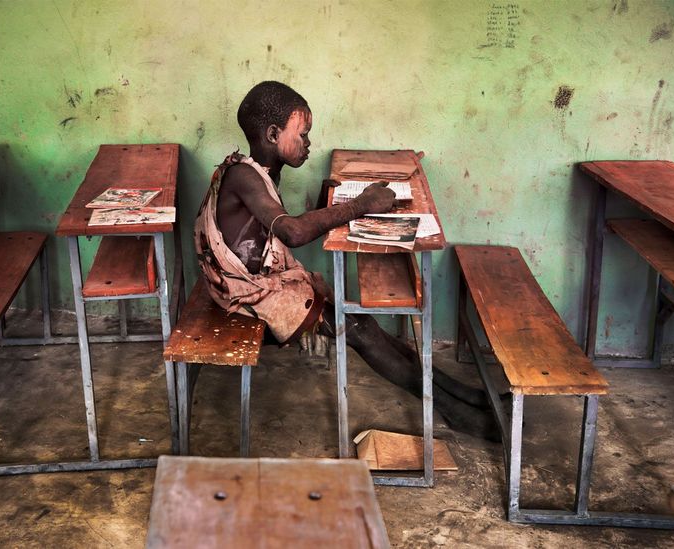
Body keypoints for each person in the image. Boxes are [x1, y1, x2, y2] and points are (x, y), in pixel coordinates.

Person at [193, 81, 500, 440]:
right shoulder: (243, 175)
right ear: (274, 134)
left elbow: (269, 229)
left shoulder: (258, 171)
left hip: (259, 282)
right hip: (244, 295)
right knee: (358, 329)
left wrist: (333, 201)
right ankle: (456, 411)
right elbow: (291, 233)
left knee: (362, 323)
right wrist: (358, 206)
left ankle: (459, 394)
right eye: (303, 134)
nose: (308, 144)